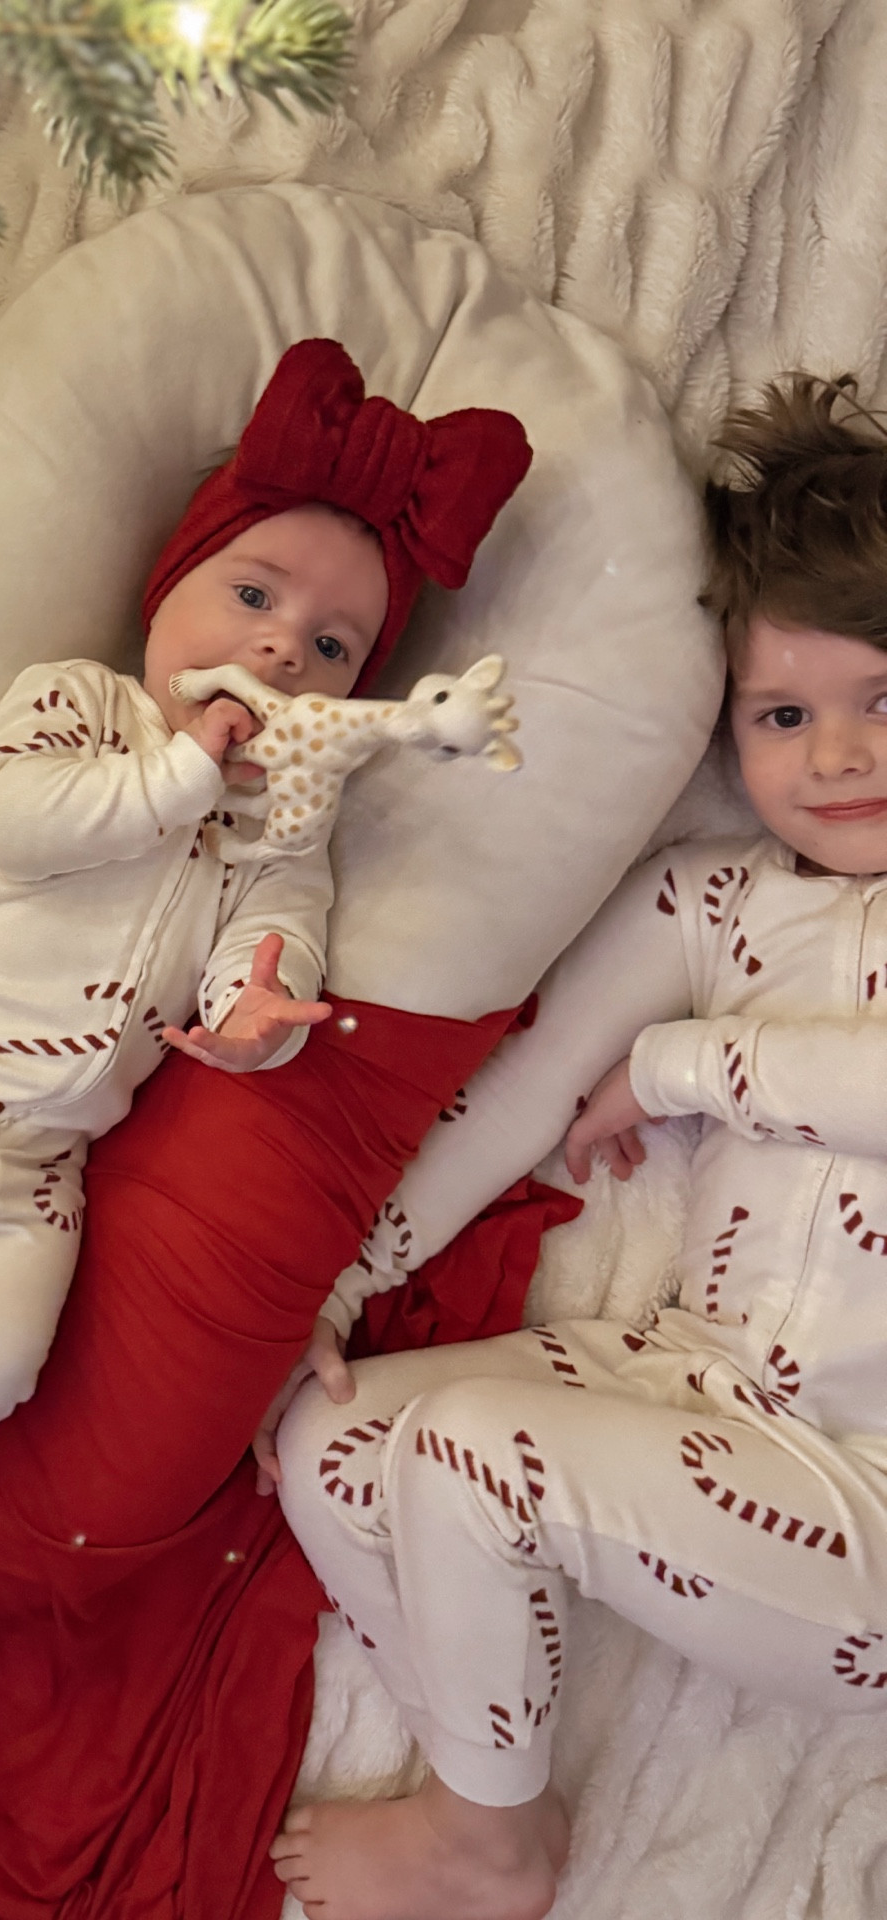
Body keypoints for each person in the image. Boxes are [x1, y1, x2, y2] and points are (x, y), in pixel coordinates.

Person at [0, 337, 533, 1578]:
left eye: (334, 648)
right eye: (252, 596)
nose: (285, 648)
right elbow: (25, 819)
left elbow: (277, 917)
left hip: (32, 1166)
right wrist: (179, 773)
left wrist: (261, 1005)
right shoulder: (76, 704)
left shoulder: (284, 811)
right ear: (166, 590)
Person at [268, 374, 887, 1920]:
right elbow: (528, 1088)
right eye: (785, 716)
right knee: (324, 1439)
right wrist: (344, 1277)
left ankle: (476, 1852)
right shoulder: (716, 902)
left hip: (872, 1503)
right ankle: (498, 1805)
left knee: (472, 1457)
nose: (836, 757)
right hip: (696, 1392)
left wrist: (681, 1065)